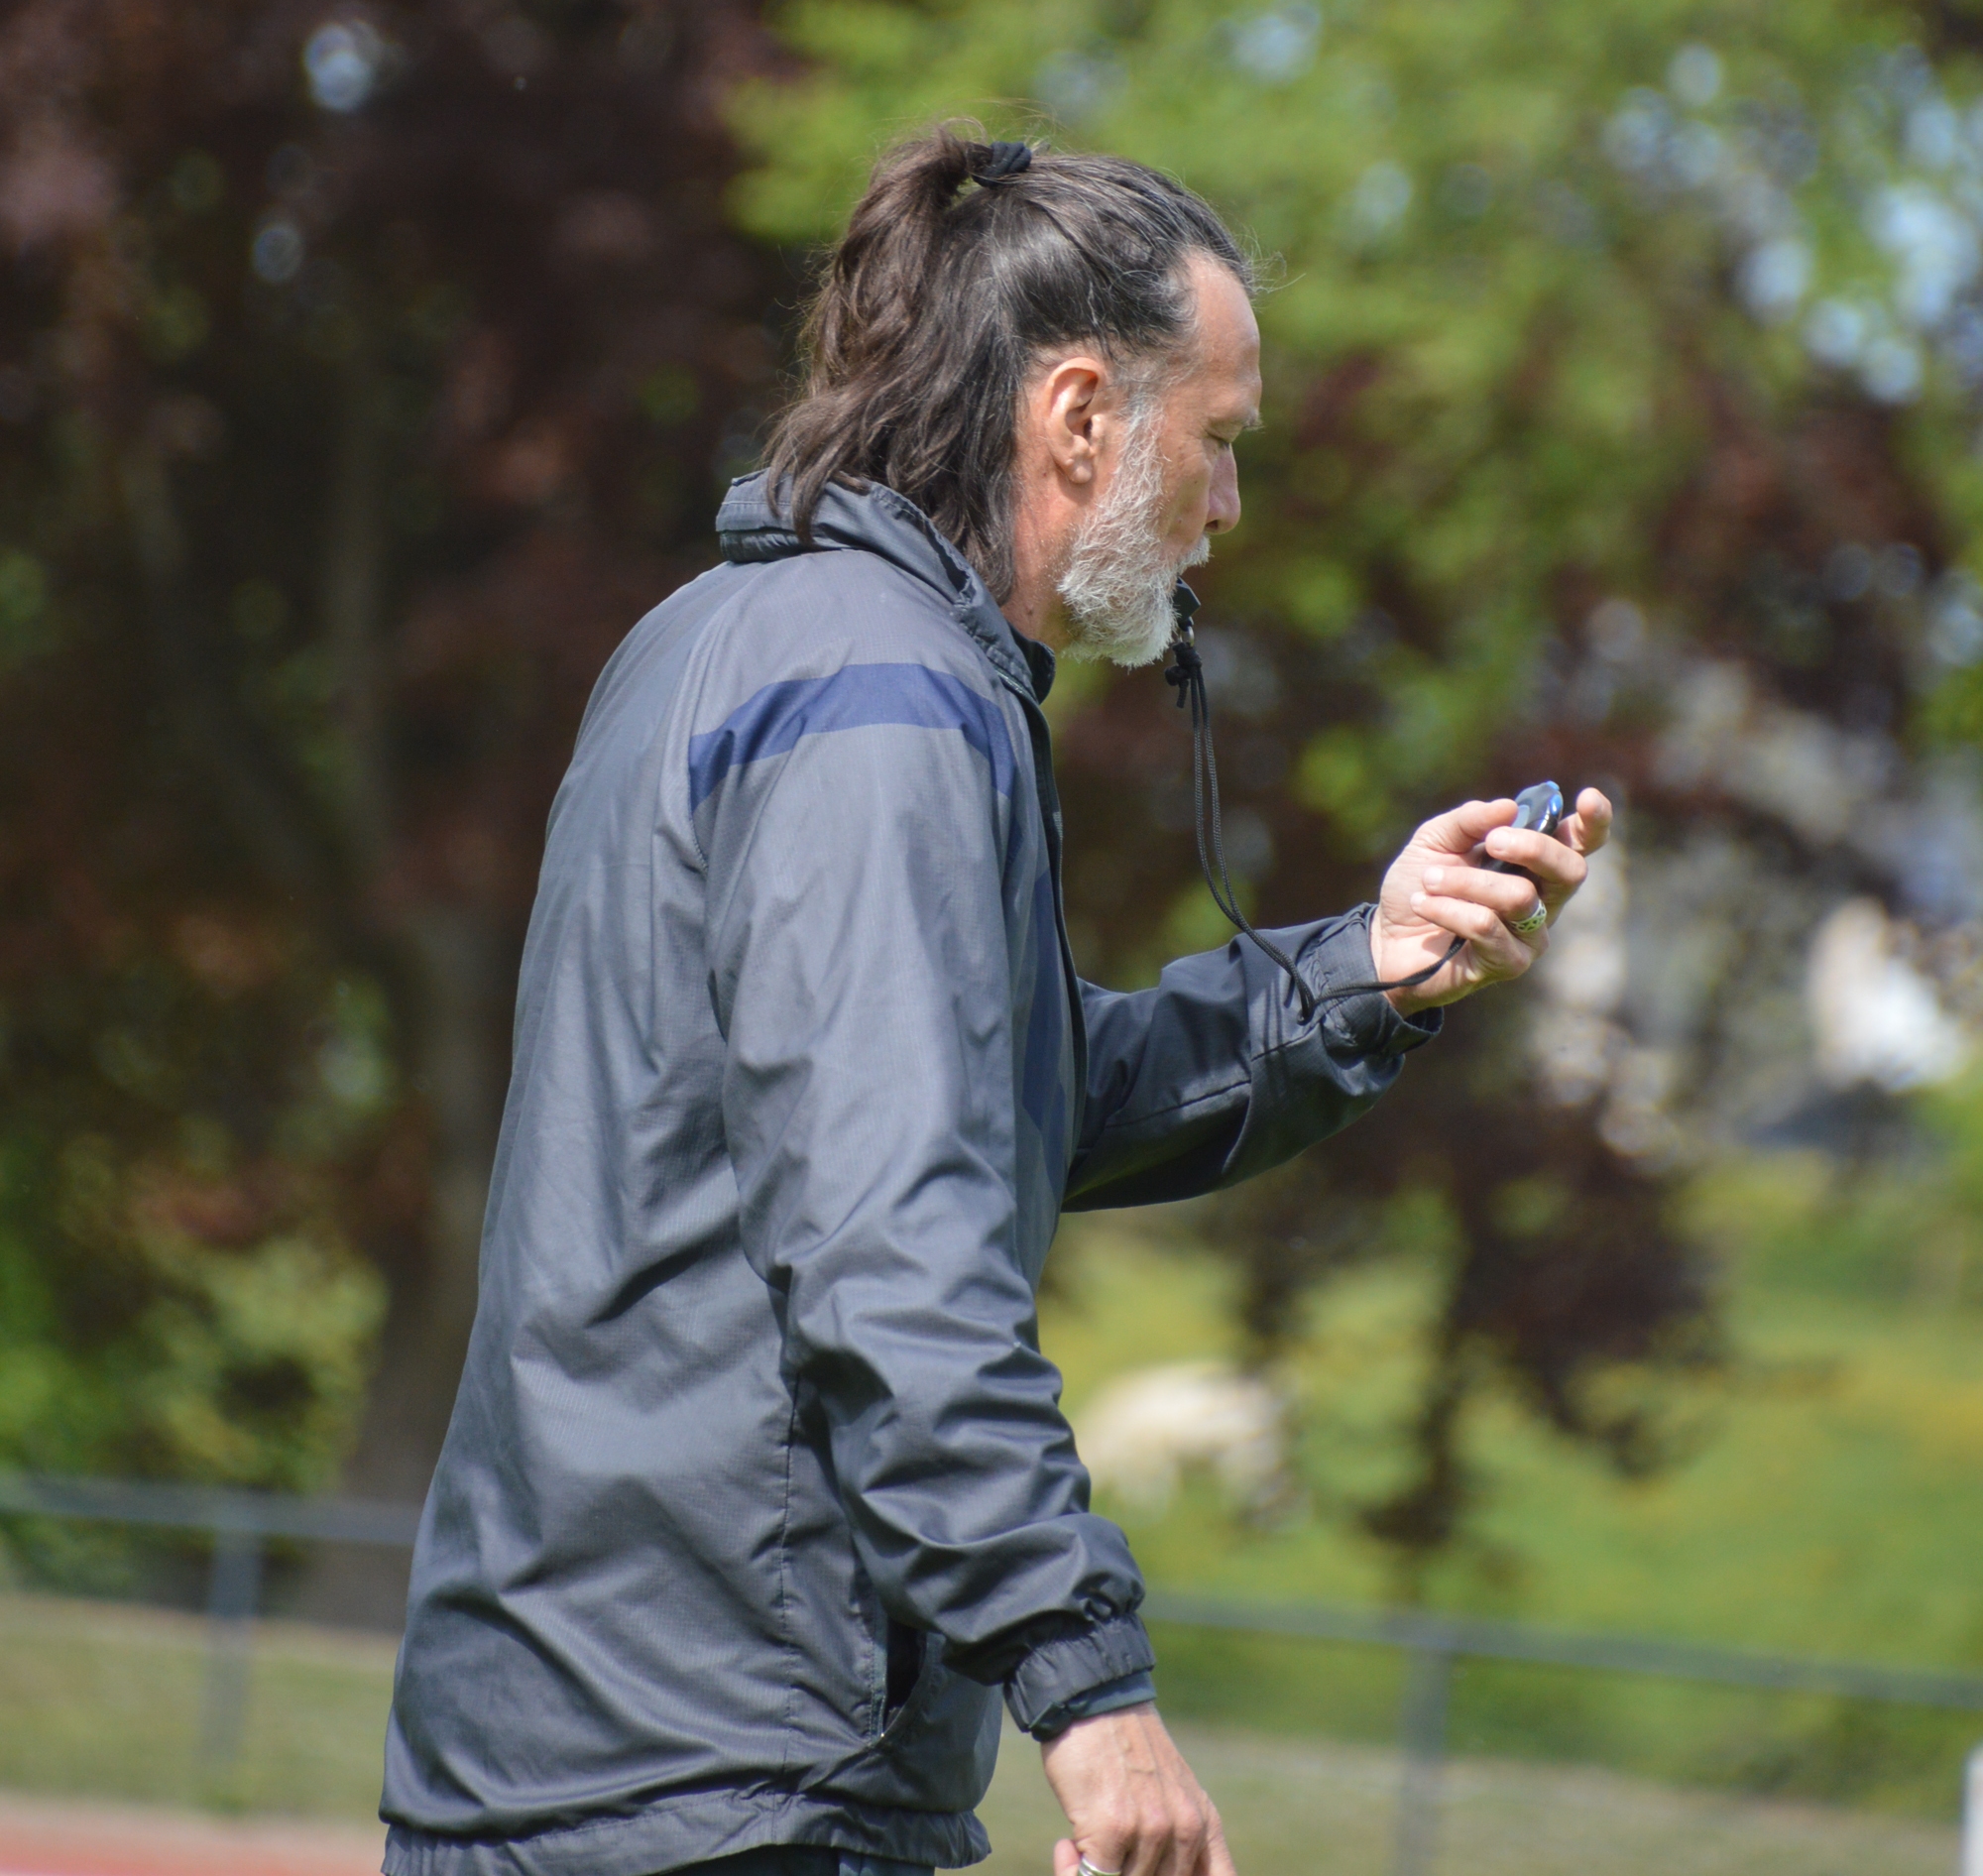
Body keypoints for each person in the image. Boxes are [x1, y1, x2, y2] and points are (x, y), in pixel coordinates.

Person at [380, 128, 1607, 1876]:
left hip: (586, 1751)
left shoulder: (722, 642)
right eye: (1222, 439)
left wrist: (1367, 968)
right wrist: (1087, 1684)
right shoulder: (883, 701)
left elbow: (998, 1095)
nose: (1229, 507)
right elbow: (890, 1234)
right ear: (1082, 416)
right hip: (724, 1779)